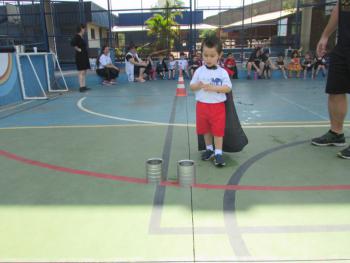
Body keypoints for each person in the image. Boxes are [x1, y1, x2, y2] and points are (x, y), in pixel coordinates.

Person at [311, 0, 350, 159]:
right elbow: (340, 8)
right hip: (344, 45)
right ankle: (336, 133)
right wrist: (325, 35)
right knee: (335, 90)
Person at [190, 36, 233, 167]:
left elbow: (228, 88)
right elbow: (192, 86)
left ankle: (218, 153)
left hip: (217, 107)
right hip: (202, 106)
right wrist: (198, 85)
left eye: (212, 55)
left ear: (219, 55)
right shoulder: (199, 71)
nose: (208, 58)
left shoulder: (222, 72)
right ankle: (209, 149)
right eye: (205, 55)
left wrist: (213, 88)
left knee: (218, 131)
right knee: (206, 130)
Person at [70, 24, 90, 92]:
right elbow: (72, 43)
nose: (85, 30)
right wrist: (78, 49)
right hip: (80, 56)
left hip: (84, 56)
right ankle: (81, 87)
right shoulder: (77, 36)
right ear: (81, 29)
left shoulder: (82, 37)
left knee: (84, 71)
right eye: (84, 28)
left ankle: (84, 86)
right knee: (81, 71)